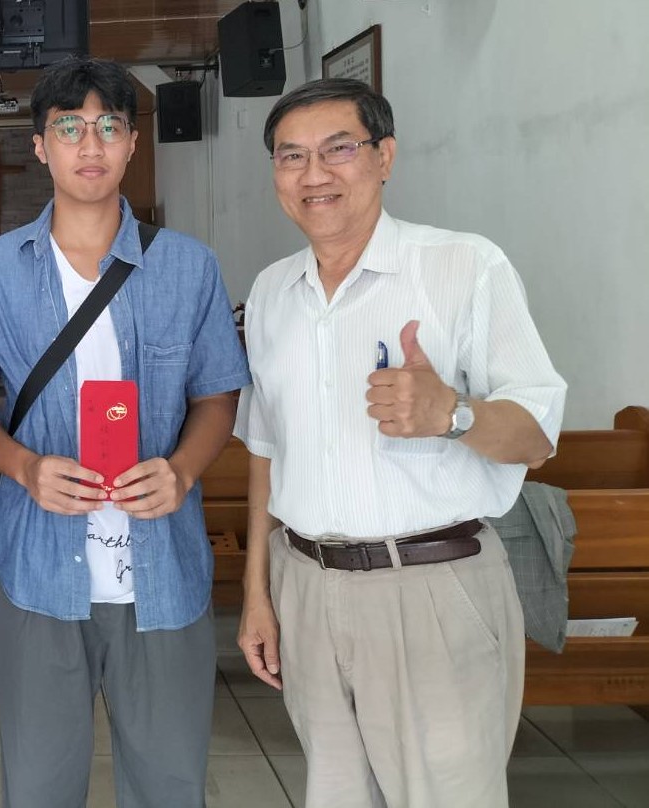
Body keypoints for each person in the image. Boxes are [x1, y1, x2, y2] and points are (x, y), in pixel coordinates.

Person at [234, 78, 567, 808]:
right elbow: (264, 449)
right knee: (335, 795)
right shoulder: (270, 293)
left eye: (338, 149)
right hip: (306, 586)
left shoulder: (463, 266)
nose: (314, 174)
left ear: (384, 157)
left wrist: (453, 414)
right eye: (291, 156)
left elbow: (537, 439)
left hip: (431, 586)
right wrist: (257, 594)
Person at [0, 56, 250, 807]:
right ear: (40, 145)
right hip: (38, 567)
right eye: (70, 128)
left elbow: (217, 394)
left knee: (169, 783)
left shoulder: (188, 267)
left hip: (164, 566)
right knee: (39, 786)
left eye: (109, 127)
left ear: (132, 143)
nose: (90, 145)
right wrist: (24, 467)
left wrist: (182, 469)